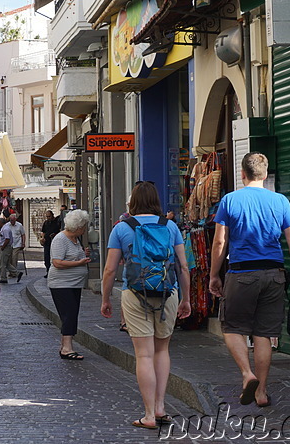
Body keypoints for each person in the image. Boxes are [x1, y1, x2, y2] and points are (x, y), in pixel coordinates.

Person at [209, 152, 290, 408]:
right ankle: (262, 392)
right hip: (274, 273)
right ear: (265, 175)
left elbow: (220, 242)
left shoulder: (230, 200)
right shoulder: (280, 201)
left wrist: (213, 274)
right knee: (264, 334)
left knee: (231, 327)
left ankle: (246, 374)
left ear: (242, 174)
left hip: (241, 273)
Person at [101, 181, 191, 430]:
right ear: (156, 201)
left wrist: (106, 298)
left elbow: (110, 270)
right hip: (167, 293)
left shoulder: (121, 228)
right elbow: (183, 266)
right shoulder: (170, 226)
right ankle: (161, 407)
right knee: (162, 351)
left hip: (134, 293)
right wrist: (187, 299)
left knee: (144, 354)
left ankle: (149, 414)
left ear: (133, 202)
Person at [49, 210, 91, 360]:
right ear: (77, 227)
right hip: (62, 283)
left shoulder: (75, 239)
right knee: (69, 313)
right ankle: (67, 348)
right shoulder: (61, 239)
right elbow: (57, 262)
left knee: (71, 313)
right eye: (84, 226)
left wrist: (82, 254)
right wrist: (79, 262)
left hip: (74, 283)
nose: (85, 229)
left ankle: (64, 346)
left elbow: (72, 255)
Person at [40, 209, 61, 278]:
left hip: (55, 242)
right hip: (47, 242)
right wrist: (42, 238)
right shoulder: (46, 223)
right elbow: (43, 231)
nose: (48, 218)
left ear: (52, 215)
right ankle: (48, 271)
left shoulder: (57, 222)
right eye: (47, 217)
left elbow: (60, 231)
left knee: (54, 257)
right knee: (47, 257)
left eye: (49, 216)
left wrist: (55, 235)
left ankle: (54, 272)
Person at [6, 213, 26, 282]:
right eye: (11, 220)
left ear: (15, 220)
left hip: (17, 244)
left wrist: (23, 243)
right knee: (9, 259)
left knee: (14, 258)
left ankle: (13, 273)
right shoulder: (7, 225)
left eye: (13, 220)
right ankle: (12, 272)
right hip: (9, 245)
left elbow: (23, 234)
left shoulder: (19, 225)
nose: (12, 222)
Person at [0, 217, 13, 283]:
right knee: (7, 263)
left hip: (5, 248)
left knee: (2, 263)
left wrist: (3, 247)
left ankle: (3, 278)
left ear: (1, 222)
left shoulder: (5, 229)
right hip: (5, 247)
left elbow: (7, 239)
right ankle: (17, 272)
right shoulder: (5, 228)